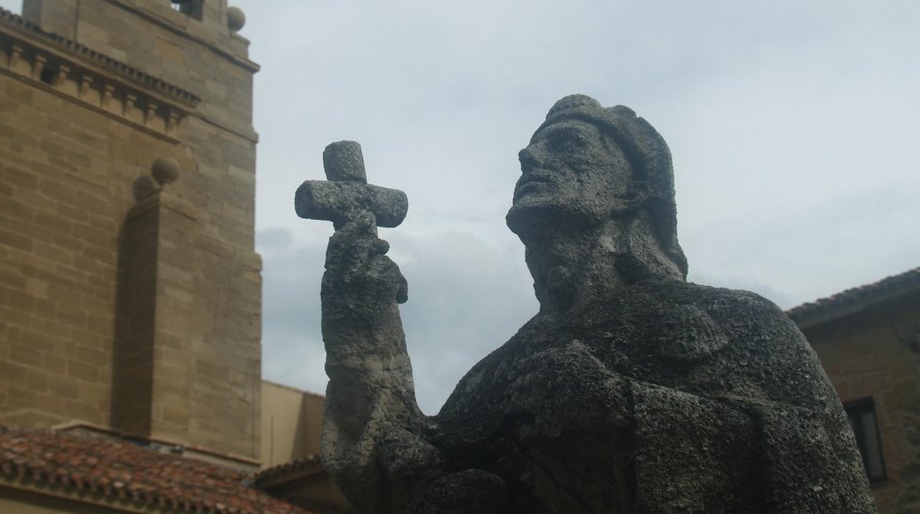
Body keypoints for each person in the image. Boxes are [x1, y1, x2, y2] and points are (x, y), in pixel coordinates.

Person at [317, 95, 875, 514]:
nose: (530, 155)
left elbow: (829, 475)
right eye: (530, 151)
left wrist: (622, 412)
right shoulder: (490, 375)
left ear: (633, 190)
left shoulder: (738, 322)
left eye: (566, 146)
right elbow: (392, 479)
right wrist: (367, 334)